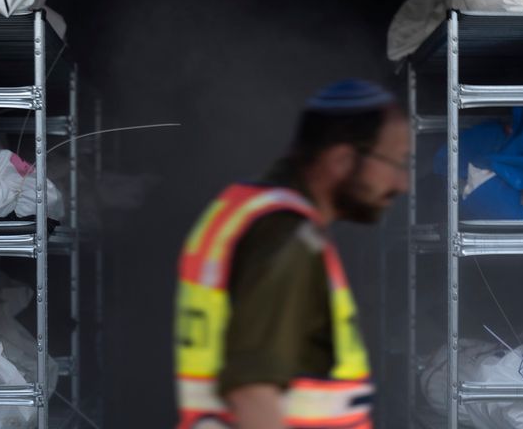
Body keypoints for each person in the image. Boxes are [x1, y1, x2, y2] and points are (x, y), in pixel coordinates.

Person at [174, 79, 410, 429]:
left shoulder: (246, 208)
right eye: (395, 162)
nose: (402, 184)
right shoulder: (287, 237)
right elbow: (253, 394)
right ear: (342, 160)